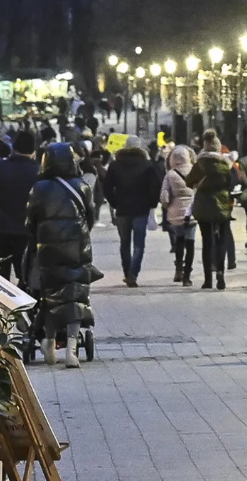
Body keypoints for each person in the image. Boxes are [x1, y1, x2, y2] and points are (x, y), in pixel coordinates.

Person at [27, 142, 98, 367]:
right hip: (78, 249)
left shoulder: (39, 188)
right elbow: (91, 217)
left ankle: (48, 343)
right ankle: (72, 349)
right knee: (76, 294)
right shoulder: (82, 186)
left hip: (48, 250)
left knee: (50, 296)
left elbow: (30, 221)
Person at [0, 132, 40, 284]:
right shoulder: (39, 173)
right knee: (27, 279)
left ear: (13, 148)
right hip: (27, 233)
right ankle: (25, 306)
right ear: (33, 150)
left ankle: (1, 307)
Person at [100, 144, 161, 286]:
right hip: (141, 209)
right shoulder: (147, 165)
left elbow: (107, 187)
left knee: (124, 243)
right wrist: (151, 203)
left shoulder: (115, 166)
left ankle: (127, 272)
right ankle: (133, 274)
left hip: (122, 209)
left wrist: (114, 202)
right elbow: (155, 186)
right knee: (139, 244)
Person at [185, 135, 239, 290]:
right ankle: (221, 274)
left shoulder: (200, 165)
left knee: (207, 241)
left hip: (203, 206)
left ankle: (208, 279)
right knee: (221, 240)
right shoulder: (226, 164)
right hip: (222, 205)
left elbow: (188, 181)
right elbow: (234, 182)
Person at [160, 146, 198, 286]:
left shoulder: (170, 174)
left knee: (179, 241)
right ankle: (187, 275)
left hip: (176, 212)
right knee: (191, 242)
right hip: (192, 211)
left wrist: (167, 206)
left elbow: (164, 196)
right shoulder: (196, 171)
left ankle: (178, 270)